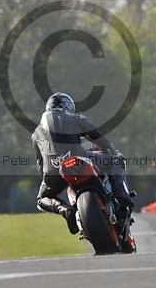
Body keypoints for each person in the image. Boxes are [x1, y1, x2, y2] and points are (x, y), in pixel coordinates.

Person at [32, 92, 135, 234]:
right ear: (69, 107)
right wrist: (111, 152)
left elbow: (40, 164)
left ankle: (66, 211)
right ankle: (120, 193)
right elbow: (102, 142)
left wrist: (49, 176)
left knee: (42, 198)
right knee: (116, 159)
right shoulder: (76, 118)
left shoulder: (36, 133)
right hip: (79, 161)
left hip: (53, 171)